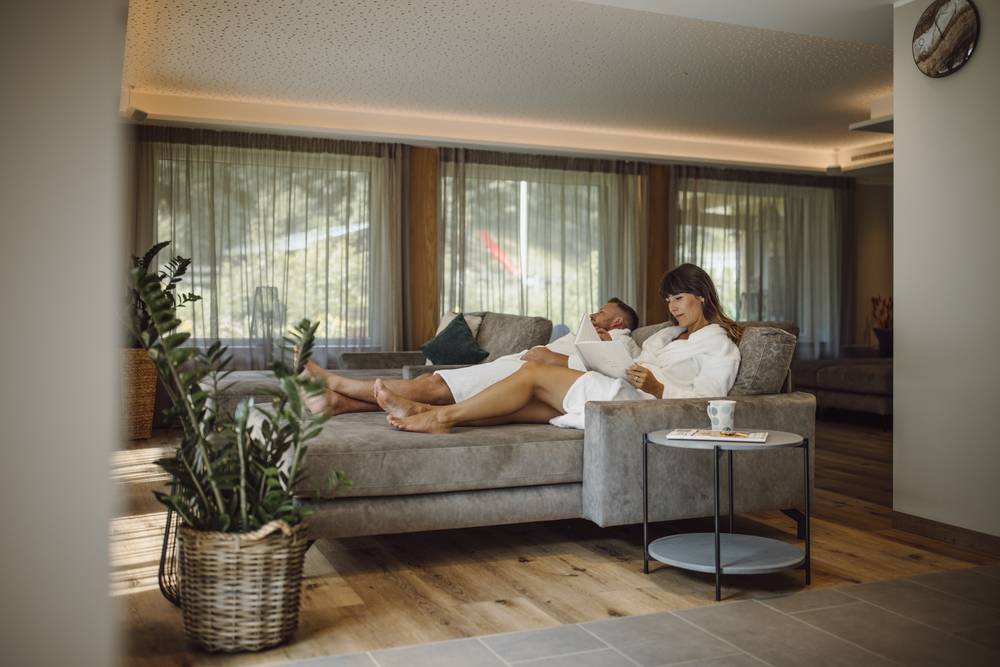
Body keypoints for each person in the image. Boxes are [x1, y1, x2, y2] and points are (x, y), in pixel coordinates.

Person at [375, 263, 742, 433]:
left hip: (640, 405)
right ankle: (427, 409)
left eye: (679, 298)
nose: (672, 307)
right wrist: (608, 358)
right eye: (668, 300)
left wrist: (659, 388)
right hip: (621, 387)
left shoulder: (719, 346)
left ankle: (440, 417)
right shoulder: (665, 336)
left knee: (533, 373)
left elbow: (711, 401)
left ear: (702, 296)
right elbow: (636, 365)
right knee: (523, 407)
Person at [303, 298, 641, 416]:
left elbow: (603, 374)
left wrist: (549, 358)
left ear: (618, 322)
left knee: (434, 389)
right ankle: (337, 403)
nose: (593, 314)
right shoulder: (587, 333)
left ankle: (337, 383)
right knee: (433, 385)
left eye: (602, 312)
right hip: (514, 369)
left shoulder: (620, 343)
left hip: (524, 378)